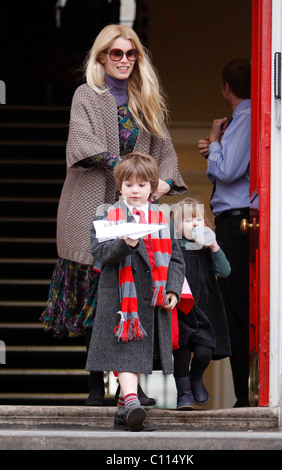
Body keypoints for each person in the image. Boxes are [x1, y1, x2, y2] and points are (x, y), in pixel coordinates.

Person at [40, 24, 187, 407]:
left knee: (133, 294)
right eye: (116, 54)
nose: (124, 60)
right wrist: (131, 170)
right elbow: (82, 143)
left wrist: (164, 183)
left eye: (130, 54)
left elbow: (166, 152)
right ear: (102, 57)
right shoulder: (86, 94)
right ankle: (94, 389)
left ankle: (129, 390)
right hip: (88, 204)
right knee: (97, 294)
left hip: (136, 208)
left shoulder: (147, 99)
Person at [86, 153, 185, 431]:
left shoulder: (164, 219)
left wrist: (173, 291)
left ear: (153, 188)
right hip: (120, 297)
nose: (135, 190)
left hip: (152, 298)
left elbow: (176, 259)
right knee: (127, 351)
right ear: (119, 187)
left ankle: (123, 409)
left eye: (141, 185)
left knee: (137, 354)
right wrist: (125, 244)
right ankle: (131, 400)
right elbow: (100, 252)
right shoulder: (106, 216)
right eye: (128, 184)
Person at [198, 58, 251, 407]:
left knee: (236, 308)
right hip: (231, 222)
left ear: (225, 88)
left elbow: (229, 171)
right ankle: (242, 395)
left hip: (237, 222)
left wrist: (215, 142)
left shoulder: (244, 118)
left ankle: (244, 396)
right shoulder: (240, 120)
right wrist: (216, 148)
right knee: (232, 307)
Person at [171, 198, 231, 409]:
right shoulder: (174, 247)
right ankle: (184, 394)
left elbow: (224, 272)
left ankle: (196, 377)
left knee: (204, 350)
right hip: (181, 308)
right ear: (177, 227)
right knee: (182, 352)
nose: (195, 224)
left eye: (198, 219)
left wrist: (214, 245)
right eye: (188, 220)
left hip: (205, 307)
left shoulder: (207, 249)